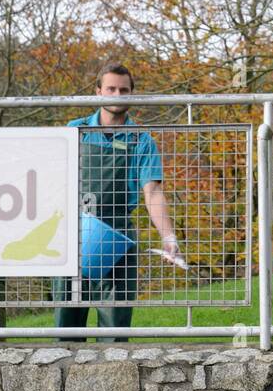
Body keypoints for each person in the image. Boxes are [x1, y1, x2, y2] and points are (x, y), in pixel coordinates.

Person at [53, 63, 180, 340]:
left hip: (118, 236)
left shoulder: (141, 141)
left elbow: (153, 192)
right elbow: (53, 180)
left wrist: (169, 236)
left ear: (132, 94)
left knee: (114, 329)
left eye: (124, 90)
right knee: (67, 322)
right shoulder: (75, 131)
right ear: (98, 91)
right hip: (74, 233)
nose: (117, 94)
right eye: (110, 88)